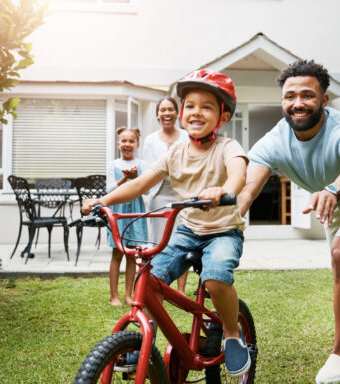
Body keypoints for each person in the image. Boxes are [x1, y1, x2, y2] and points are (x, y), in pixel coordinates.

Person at [83, 69, 251, 377]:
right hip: (187, 231)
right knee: (150, 280)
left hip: (223, 231)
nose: (196, 111)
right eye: (190, 105)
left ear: (223, 116)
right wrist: (103, 201)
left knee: (215, 278)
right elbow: (140, 184)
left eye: (207, 106)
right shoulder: (176, 152)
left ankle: (231, 331)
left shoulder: (228, 147)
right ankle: (141, 346)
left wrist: (225, 191)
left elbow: (239, 174)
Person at [239, 60, 340, 383]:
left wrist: (333, 190)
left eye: (308, 95)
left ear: (324, 100)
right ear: (282, 100)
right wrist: (233, 211)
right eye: (290, 96)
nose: (298, 103)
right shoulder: (275, 140)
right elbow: (248, 187)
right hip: (332, 197)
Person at [143, 96, 189, 294]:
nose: (166, 113)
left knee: (183, 240)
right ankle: (158, 285)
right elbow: (148, 170)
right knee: (159, 242)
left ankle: (180, 289)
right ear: (157, 115)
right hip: (160, 195)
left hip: (183, 195)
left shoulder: (187, 136)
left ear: (177, 113)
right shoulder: (150, 140)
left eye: (170, 109)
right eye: (162, 110)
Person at [106, 126, 148, 306]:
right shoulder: (113, 165)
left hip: (135, 212)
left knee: (132, 254)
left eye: (131, 141)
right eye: (124, 141)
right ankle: (113, 295)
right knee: (117, 253)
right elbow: (108, 190)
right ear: (118, 144)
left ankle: (128, 295)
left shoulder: (142, 165)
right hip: (118, 212)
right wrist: (125, 179)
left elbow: (146, 189)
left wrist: (136, 177)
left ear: (137, 144)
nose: (127, 144)